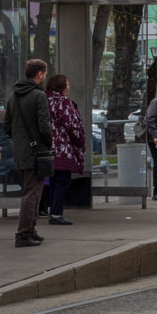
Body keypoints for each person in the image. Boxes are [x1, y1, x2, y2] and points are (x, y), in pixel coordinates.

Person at [7, 59, 53, 247]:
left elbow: (7, 126)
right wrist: (48, 141)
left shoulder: (14, 97)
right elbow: (44, 125)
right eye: (45, 73)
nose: (45, 76)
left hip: (20, 151)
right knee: (32, 193)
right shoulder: (38, 96)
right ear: (40, 74)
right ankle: (24, 233)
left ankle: (31, 231)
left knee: (30, 189)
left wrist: (20, 140)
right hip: (37, 152)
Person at [45, 73, 86, 225]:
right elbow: (72, 126)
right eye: (67, 84)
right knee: (63, 181)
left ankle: (51, 210)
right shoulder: (63, 102)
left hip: (47, 148)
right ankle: (56, 213)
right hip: (63, 148)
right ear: (61, 87)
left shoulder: (44, 101)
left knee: (53, 181)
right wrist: (80, 141)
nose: (69, 87)